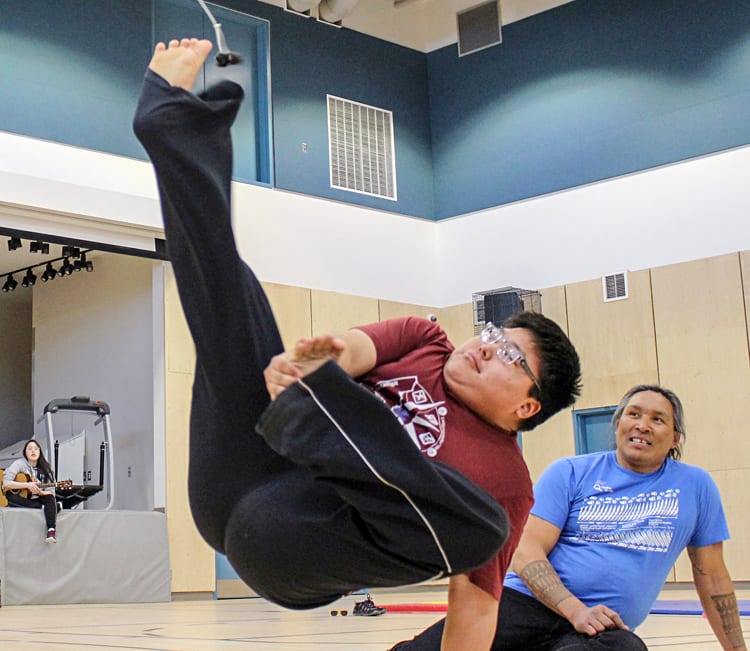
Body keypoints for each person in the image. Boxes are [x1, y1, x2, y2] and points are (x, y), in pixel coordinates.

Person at [132, 38, 581, 650]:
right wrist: (312, 362)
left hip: (294, 543)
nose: (485, 345)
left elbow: (474, 610)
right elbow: (353, 350)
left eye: (509, 354)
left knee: (482, 526)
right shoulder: (425, 339)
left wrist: (322, 385)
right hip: (239, 475)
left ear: (529, 405)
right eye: (494, 333)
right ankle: (173, 127)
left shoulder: (504, 481)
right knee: (237, 297)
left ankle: (320, 410)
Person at [390, 385, 747, 651]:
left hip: (603, 630)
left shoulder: (696, 486)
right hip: (525, 605)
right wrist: (575, 610)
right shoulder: (571, 472)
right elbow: (525, 551)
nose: (642, 425)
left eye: (658, 419)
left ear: (675, 438)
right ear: (618, 423)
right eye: (634, 414)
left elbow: (712, 577)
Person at [2, 439, 60, 543]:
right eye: (29, 449)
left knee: (50, 498)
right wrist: (26, 485)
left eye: (36, 449)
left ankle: (51, 530)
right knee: (10, 496)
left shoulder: (46, 468)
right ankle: (50, 508)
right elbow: (6, 483)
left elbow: (51, 492)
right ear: (25, 452)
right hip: (23, 498)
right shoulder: (19, 464)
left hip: (38, 498)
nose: (33, 451)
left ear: (40, 451)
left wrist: (39, 492)